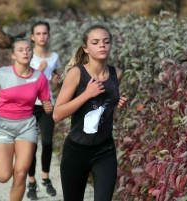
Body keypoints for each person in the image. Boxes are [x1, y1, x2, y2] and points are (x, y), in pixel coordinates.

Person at [53, 24, 128, 201]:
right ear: (85, 48)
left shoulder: (116, 73)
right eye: (95, 42)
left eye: (106, 42)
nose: (102, 45)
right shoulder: (77, 73)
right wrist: (87, 94)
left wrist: (118, 103)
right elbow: (57, 114)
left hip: (105, 150)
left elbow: (103, 109)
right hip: (76, 151)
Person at [0, 21, 53, 201]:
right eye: (20, 50)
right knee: (4, 176)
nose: (26, 52)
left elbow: (45, 101)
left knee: (20, 174)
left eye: (28, 50)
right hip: (3, 126)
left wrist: (48, 106)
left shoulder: (39, 77)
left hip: (27, 127)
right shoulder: (2, 73)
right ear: (13, 55)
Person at [26, 21, 61, 200]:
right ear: (32, 36)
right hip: (29, 106)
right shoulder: (27, 57)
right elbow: (21, 83)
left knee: (47, 143)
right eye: (38, 33)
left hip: (47, 104)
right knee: (31, 145)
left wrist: (56, 79)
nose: (42, 36)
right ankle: (31, 182)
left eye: (44, 33)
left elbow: (56, 76)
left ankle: (46, 179)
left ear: (48, 35)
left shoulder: (54, 56)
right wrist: (38, 71)